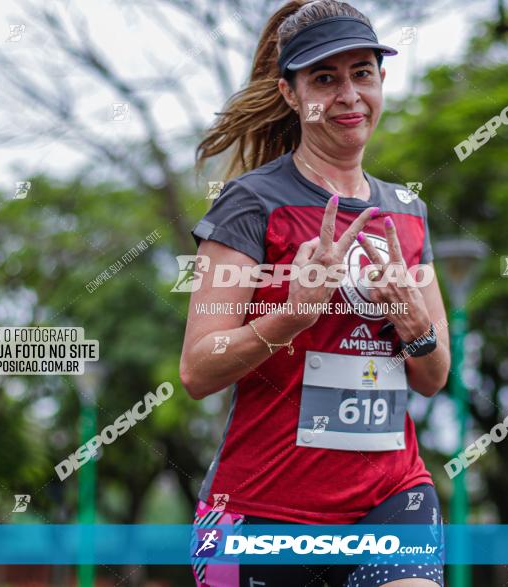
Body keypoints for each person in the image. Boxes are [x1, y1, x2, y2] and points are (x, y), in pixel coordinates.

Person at [180, 1, 450, 585]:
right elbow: (198, 372)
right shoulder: (250, 205)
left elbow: (433, 376)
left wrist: (414, 324)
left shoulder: (406, 213)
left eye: (363, 73)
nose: (349, 95)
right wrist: (290, 316)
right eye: (324, 79)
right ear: (290, 94)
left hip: (392, 494)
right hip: (263, 510)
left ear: (382, 81)